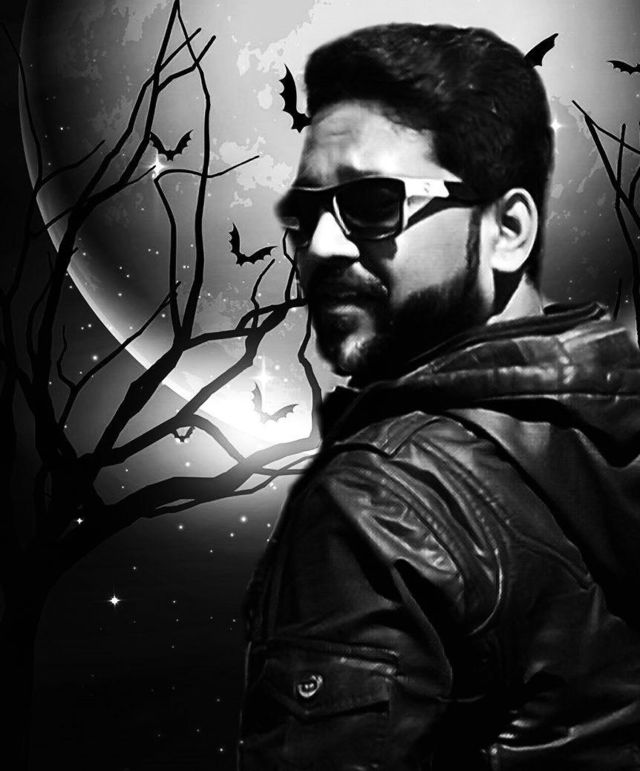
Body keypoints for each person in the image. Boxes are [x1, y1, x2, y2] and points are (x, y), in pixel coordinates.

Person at [238, 23, 640, 770]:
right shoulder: (614, 410)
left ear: (508, 229)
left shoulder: (378, 500)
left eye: (372, 203)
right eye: (306, 214)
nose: (320, 246)